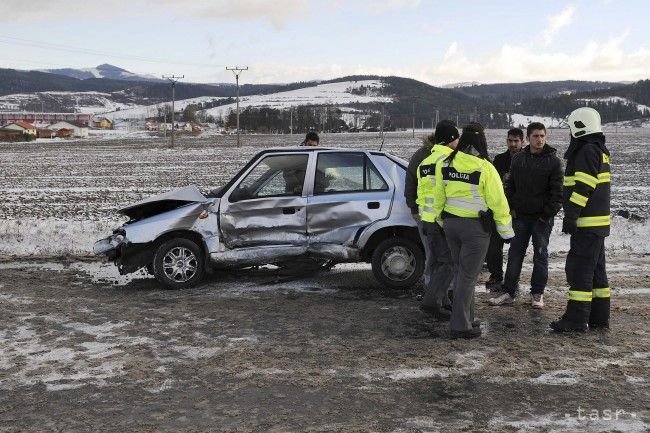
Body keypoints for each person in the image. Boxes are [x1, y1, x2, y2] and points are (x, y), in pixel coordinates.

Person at [433, 123, 514, 339]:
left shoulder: (446, 163)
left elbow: (439, 196)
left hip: (451, 225)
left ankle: (467, 318)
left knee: (461, 272)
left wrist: (440, 220)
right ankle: (460, 326)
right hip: (475, 229)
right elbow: (499, 202)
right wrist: (506, 232)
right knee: (468, 277)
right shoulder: (485, 167)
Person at [489, 123, 563, 308]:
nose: (539, 139)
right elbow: (510, 186)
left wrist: (546, 214)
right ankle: (509, 291)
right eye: (536, 136)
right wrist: (512, 208)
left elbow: (558, 193)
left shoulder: (553, 161)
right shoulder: (518, 160)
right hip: (520, 217)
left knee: (540, 255)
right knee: (515, 254)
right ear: (528, 138)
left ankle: (537, 293)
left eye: (542, 136)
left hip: (542, 219)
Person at [551, 107, 611, 332]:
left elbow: (583, 187)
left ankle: (575, 320)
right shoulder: (599, 150)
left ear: (579, 127)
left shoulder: (586, 150)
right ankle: (599, 317)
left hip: (586, 224)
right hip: (598, 224)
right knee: (596, 272)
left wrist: (572, 215)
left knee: (580, 271)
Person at [406, 120, 458, 291]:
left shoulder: (425, 155)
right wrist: (413, 206)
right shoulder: (425, 155)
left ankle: (435, 291)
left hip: (429, 215)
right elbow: (411, 182)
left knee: (435, 255)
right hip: (436, 216)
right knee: (439, 255)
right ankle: (438, 291)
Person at [416, 120, 460, 319]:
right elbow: (451, 192)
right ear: (451, 139)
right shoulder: (449, 161)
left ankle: (442, 301)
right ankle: (432, 302)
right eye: (457, 138)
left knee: (435, 262)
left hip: (427, 220)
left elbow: (421, 193)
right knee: (448, 263)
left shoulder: (425, 163)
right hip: (442, 221)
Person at [484, 128, 524, 290]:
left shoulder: (528, 159)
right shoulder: (499, 160)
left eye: (516, 141)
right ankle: (496, 275)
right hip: (499, 209)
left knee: (516, 247)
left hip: (520, 211)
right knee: (494, 246)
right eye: (510, 141)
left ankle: (513, 279)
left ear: (523, 141)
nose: (513, 144)